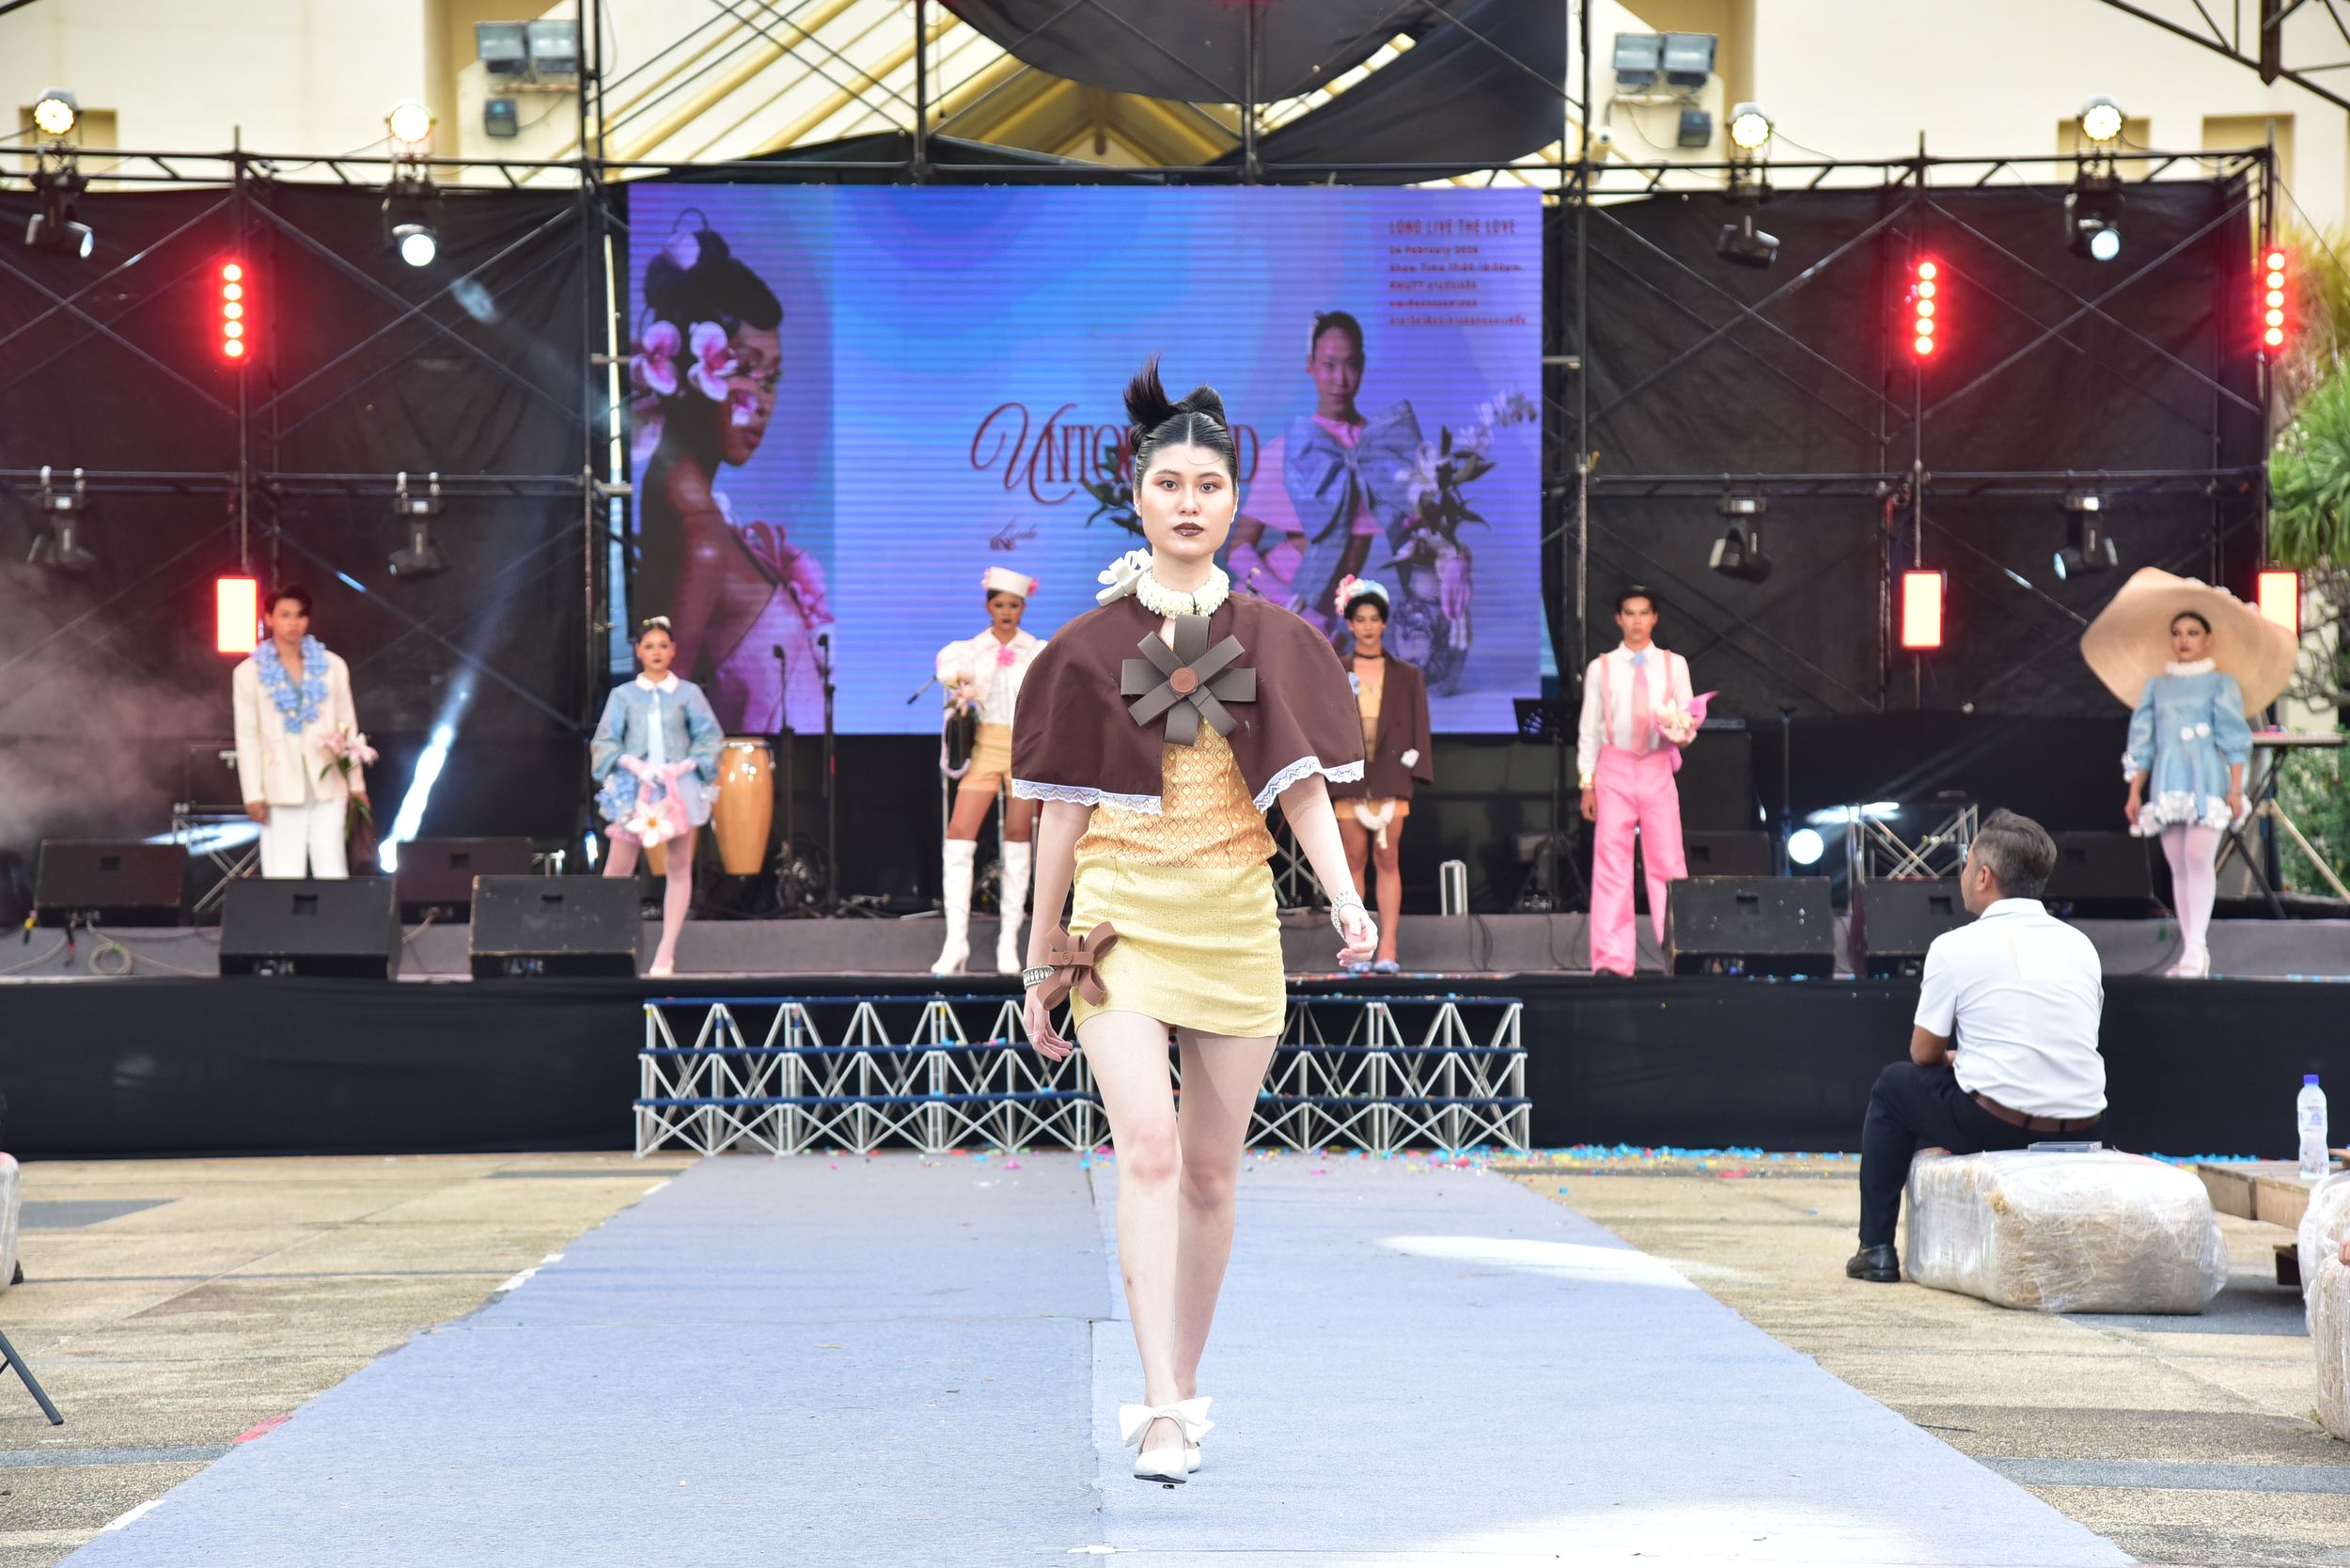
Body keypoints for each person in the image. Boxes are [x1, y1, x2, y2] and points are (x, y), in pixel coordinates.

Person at [1013, 359, 1376, 1484]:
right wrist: (1038, 957)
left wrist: (1346, 896)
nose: (1186, 501)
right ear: (1136, 497)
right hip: (1120, 922)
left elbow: (1301, 788)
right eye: (1167, 483)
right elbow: (1060, 815)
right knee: (1151, 1151)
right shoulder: (1085, 649)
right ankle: (1159, 1406)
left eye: (1207, 485)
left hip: (1233, 920)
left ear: (1232, 501)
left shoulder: (1273, 637)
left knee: (1213, 1175)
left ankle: (1183, 1380)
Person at [1845, 809, 2107, 1284]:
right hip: (2087, 1121)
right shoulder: (2082, 945)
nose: (1963, 875)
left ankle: (1876, 1247)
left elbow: (1924, 1054)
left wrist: (1958, 1057)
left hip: (1999, 1125)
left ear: (1984, 876)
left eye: (1966, 865)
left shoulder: (1955, 945)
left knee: (1892, 1086)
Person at [631, 220, 832, 733]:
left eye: (773, 378)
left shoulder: (706, 520)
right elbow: (660, 719)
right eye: (744, 368)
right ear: (690, 367)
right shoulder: (699, 534)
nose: (762, 401)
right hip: (747, 776)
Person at [1226, 310, 1423, 628]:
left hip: (1327, 618)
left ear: (1362, 365)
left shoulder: (1382, 449)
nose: (1340, 379)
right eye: (1329, 365)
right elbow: (1238, 549)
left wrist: (1454, 562)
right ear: (1311, 365)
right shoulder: (1289, 449)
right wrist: (1292, 604)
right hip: (1272, 606)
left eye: (1350, 365)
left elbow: (1423, 533)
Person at [932, 566, 1048, 976]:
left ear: (1023, 608)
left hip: (1022, 750)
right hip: (984, 747)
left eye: (1014, 605)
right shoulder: (970, 651)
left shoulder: (1036, 651)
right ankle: (955, 940)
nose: (1006, 612)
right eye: (999, 605)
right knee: (960, 833)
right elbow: (949, 679)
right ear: (988, 607)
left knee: (1017, 836)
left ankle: (1008, 941)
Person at [591, 617, 723, 979]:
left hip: (677, 787)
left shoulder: (688, 693)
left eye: (663, 646)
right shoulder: (624, 695)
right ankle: (607, 944)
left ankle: (666, 951)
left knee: (677, 867)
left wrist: (686, 765)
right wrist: (631, 763)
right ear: (638, 651)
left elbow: (709, 736)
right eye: (649, 646)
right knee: (618, 868)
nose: (656, 653)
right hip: (636, 788)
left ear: (673, 650)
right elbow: (605, 739)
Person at [1576, 586, 1697, 978]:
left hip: (1657, 766)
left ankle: (1681, 951)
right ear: (1618, 619)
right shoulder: (1602, 667)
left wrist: (1683, 732)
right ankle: (1611, 960)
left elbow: (1689, 716)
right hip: (1614, 767)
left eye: (1643, 613)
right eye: (1629, 613)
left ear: (1654, 617)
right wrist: (1587, 782)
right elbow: (1589, 727)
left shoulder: (1674, 664)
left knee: (1669, 862)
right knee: (1612, 864)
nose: (1637, 621)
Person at [2123, 610, 2250, 979]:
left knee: (2197, 856)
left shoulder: (2221, 683)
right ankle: (2190, 948)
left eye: (2193, 632)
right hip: (2168, 777)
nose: (2184, 639)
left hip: (2205, 776)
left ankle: (2196, 946)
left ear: (2207, 639)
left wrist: (2236, 788)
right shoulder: (2156, 686)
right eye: (2178, 632)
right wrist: (2134, 791)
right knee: (2178, 863)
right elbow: (2143, 743)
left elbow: (2234, 737)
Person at [1325, 575, 1433, 974]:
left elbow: (1419, 727)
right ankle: (1357, 947)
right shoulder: (1336, 670)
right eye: (1361, 620)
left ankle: (1388, 946)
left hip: (1390, 776)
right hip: (1349, 777)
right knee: (1351, 858)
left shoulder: (1407, 674)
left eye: (1374, 619)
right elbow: (1325, 726)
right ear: (1350, 624)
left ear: (1384, 623)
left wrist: (1414, 772)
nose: (1368, 626)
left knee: (1388, 857)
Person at [233, 586, 368, 880]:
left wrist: (356, 785)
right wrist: (253, 794)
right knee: (283, 873)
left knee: (332, 870)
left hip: (328, 782)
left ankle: (334, 914)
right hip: (278, 787)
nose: (293, 622)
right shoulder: (248, 673)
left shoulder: (333, 666)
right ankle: (282, 916)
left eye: (300, 615)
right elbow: (247, 737)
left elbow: (348, 726)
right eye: (285, 615)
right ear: (269, 618)